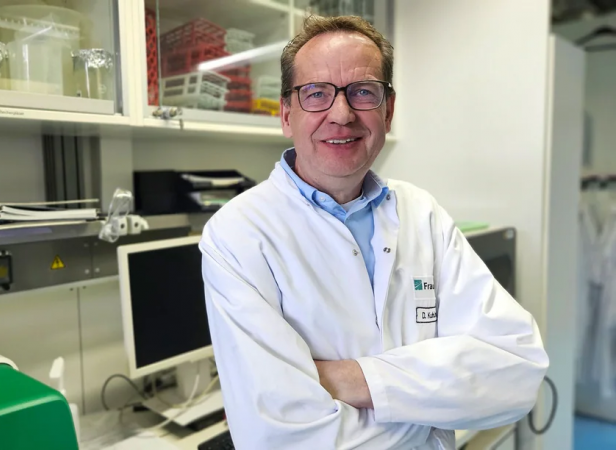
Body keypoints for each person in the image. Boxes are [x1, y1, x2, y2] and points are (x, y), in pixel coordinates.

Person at [199, 15, 549, 449]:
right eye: (316, 93)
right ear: (287, 114)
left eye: (363, 91)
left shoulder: (421, 212)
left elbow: (518, 370)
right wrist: (430, 410)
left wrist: (346, 379)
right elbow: (278, 435)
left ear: (389, 110)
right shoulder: (237, 234)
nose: (341, 114)